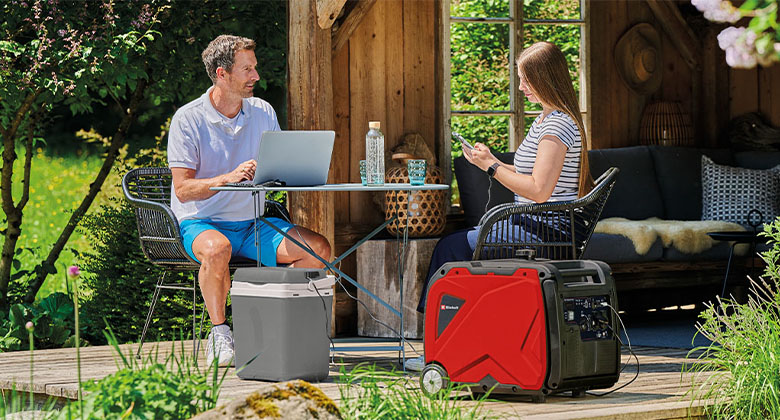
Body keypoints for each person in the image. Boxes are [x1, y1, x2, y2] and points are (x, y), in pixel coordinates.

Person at [406, 42, 592, 371]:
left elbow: (538, 191)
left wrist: (490, 167)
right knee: (454, 247)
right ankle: (456, 347)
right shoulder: (546, 120)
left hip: (547, 232)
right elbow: (533, 179)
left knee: (450, 250)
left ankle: (436, 354)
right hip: (537, 225)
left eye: (526, 79)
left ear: (544, 78)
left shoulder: (557, 125)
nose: (520, 87)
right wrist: (489, 160)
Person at [167, 35, 331, 367]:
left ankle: (272, 326)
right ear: (221, 74)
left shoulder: (262, 111)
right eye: (247, 69)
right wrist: (228, 177)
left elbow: (277, 168)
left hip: (254, 224)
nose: (256, 76)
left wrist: (289, 171)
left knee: (319, 251)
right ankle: (220, 332)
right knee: (217, 250)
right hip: (202, 223)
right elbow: (183, 190)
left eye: (254, 68)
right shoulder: (188, 119)